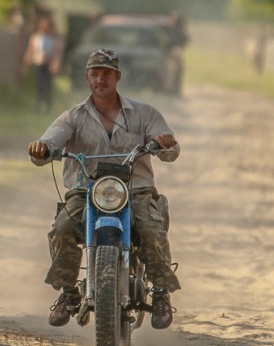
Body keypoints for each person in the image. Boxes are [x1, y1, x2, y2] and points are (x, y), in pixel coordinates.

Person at [27, 47, 181, 329]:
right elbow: (48, 144)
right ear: (87, 78)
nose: (101, 79)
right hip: (86, 191)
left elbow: (171, 151)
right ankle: (69, 292)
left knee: (151, 227)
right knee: (61, 228)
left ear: (118, 76)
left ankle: (160, 293)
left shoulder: (144, 113)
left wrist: (165, 143)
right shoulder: (73, 117)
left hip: (135, 191)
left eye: (107, 74)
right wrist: (41, 150)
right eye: (95, 74)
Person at [24, 14, 61, 111]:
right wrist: (26, 64)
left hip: (48, 64)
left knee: (47, 85)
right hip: (38, 63)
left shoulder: (53, 38)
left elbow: (56, 52)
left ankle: (47, 106)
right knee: (39, 85)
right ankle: (38, 105)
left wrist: (55, 63)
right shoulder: (35, 37)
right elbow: (30, 51)